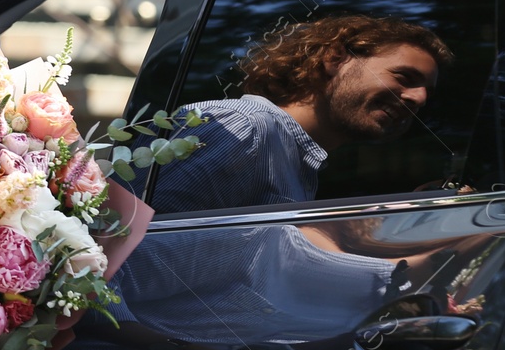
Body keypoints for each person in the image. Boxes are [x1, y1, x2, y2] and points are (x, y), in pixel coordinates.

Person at [152, 14, 452, 215]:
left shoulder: (297, 167)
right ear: (335, 58)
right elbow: (121, 251)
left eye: (427, 90)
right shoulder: (243, 127)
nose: (420, 98)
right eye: (404, 77)